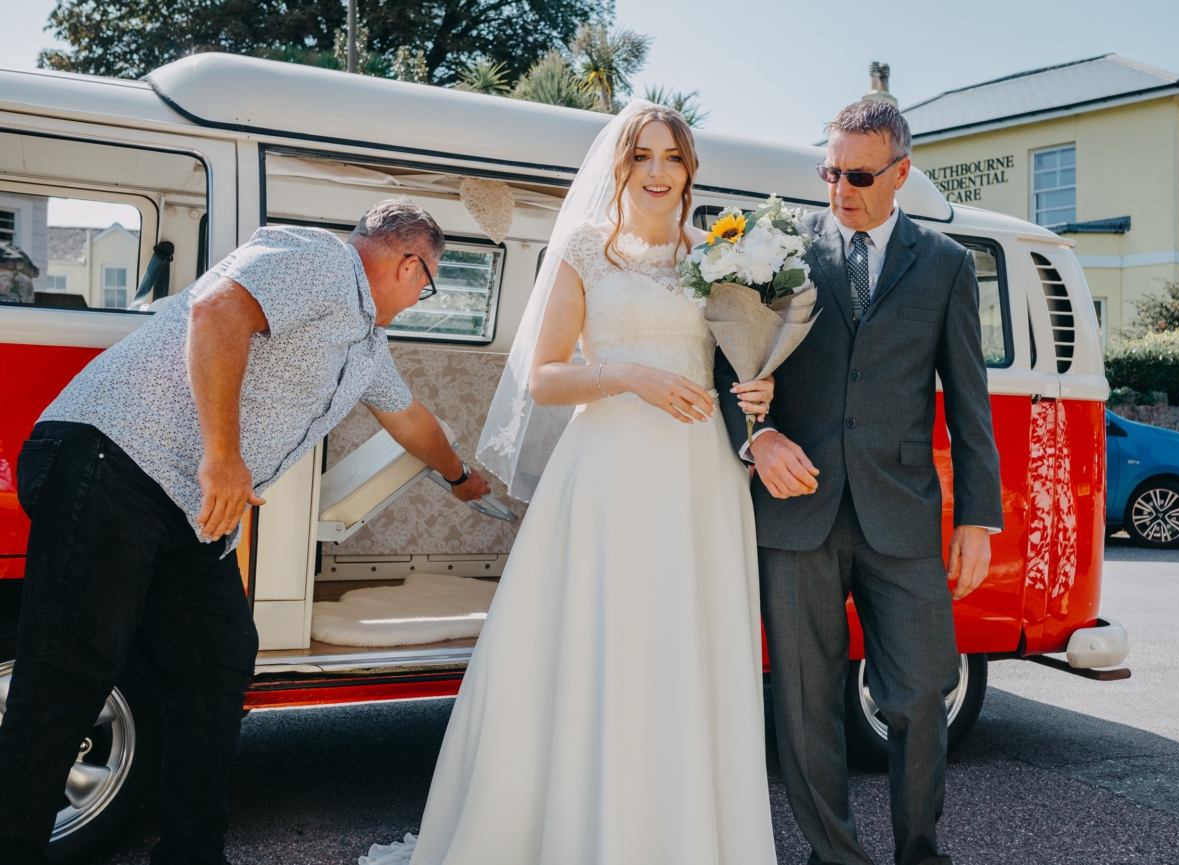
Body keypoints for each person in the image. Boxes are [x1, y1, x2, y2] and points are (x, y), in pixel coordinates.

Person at [0, 198, 490, 865]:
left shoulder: (367, 344)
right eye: (428, 283)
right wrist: (224, 456)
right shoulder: (319, 258)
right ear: (409, 263)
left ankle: (192, 855)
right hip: (113, 457)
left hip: (187, 506)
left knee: (218, 661)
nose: (420, 297)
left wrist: (463, 478)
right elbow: (218, 311)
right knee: (70, 673)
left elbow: (411, 422)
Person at [359, 104, 778, 865]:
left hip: (698, 476)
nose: (657, 172)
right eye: (642, 156)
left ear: (689, 170)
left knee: (685, 649)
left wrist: (760, 389)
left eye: (673, 158)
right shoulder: (585, 247)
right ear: (618, 165)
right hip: (609, 473)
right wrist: (625, 374)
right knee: (600, 642)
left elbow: (739, 359)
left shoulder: (719, 252)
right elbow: (544, 377)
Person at [715, 100, 1003, 865]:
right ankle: (833, 856)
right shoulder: (775, 252)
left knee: (917, 695)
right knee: (807, 704)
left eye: (860, 174)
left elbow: (968, 399)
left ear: (902, 172)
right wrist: (757, 438)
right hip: (794, 508)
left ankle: (919, 850)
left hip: (902, 512)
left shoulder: (944, 265)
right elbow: (725, 367)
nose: (840, 187)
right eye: (831, 170)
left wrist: (978, 516)